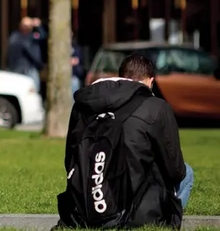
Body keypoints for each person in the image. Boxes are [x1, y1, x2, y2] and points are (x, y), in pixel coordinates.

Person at [56, 53, 193, 229]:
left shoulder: (84, 103)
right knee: (186, 172)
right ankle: (164, 222)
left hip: (84, 206)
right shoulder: (156, 107)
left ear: (121, 78)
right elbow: (175, 171)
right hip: (132, 211)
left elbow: (70, 159)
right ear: (151, 81)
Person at [6, 17, 43, 93]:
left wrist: (39, 27)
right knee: (31, 93)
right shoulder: (23, 38)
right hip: (26, 70)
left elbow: (43, 36)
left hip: (18, 69)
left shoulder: (14, 37)